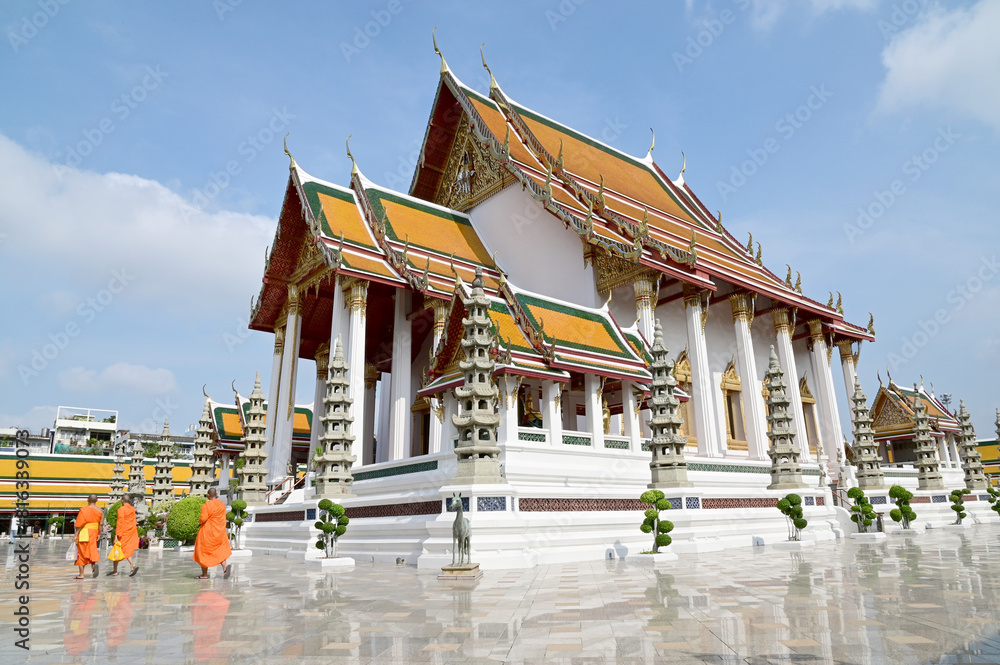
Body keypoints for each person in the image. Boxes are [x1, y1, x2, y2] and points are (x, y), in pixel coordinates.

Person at [193, 488, 231, 579]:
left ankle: (204, 574)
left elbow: (203, 518)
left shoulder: (207, 505)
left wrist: (198, 521)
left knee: (203, 551)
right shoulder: (221, 504)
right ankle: (224, 566)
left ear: (208, 495)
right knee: (219, 550)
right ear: (216, 494)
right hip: (219, 532)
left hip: (208, 532)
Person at [109, 495, 139, 577]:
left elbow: (120, 522)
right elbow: (134, 521)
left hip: (122, 533)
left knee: (117, 550)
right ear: (129, 500)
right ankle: (130, 565)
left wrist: (117, 535)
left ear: (122, 501)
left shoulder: (121, 509)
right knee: (126, 550)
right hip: (130, 532)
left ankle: (116, 570)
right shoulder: (132, 509)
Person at [74, 495, 103, 579]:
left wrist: (76, 535)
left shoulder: (84, 510)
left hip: (84, 532)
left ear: (87, 500)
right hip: (94, 532)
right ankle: (93, 567)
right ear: (97, 500)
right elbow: (101, 524)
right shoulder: (101, 511)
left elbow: (79, 524)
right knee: (92, 550)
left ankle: (81, 574)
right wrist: (99, 534)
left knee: (81, 552)